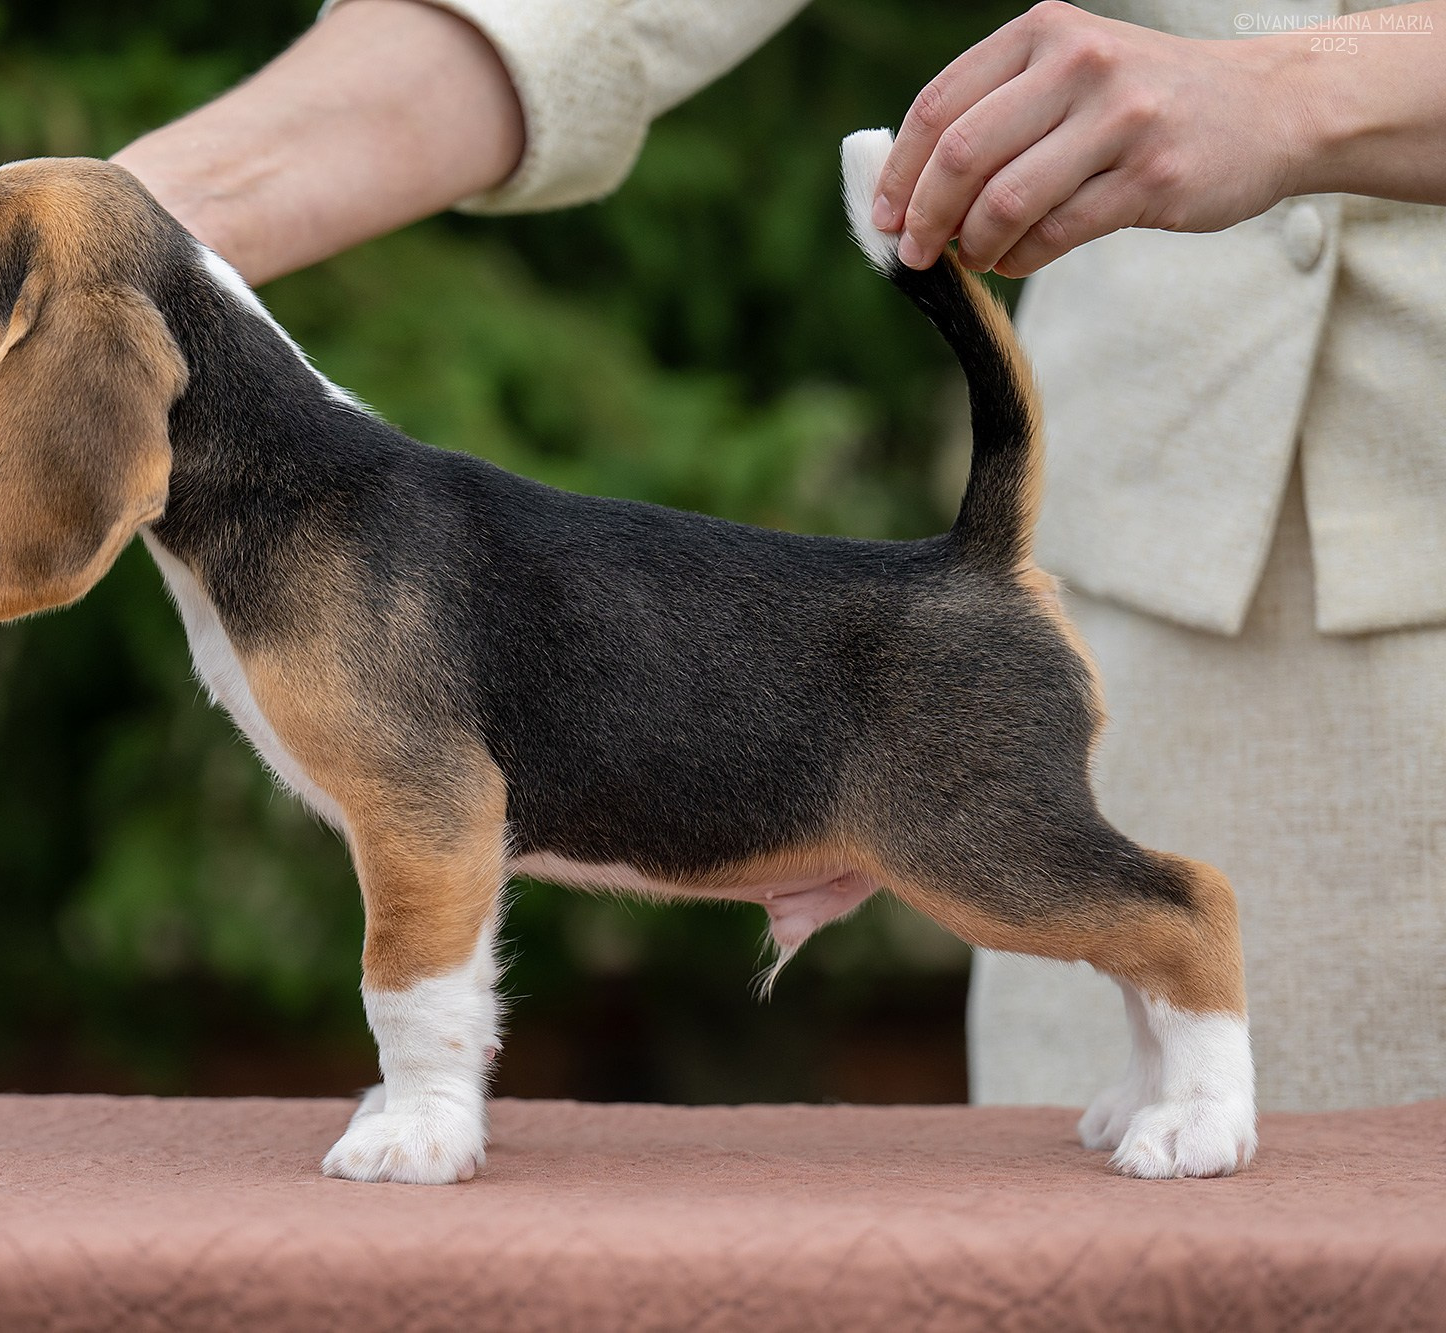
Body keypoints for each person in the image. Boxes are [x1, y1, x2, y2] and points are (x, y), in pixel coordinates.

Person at [113, 0, 1446, 1112]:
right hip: (1150, 521)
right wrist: (139, 229)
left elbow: (434, 823)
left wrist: (1294, 90)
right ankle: (1179, 1060)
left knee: (1065, 890)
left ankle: (1189, 964)